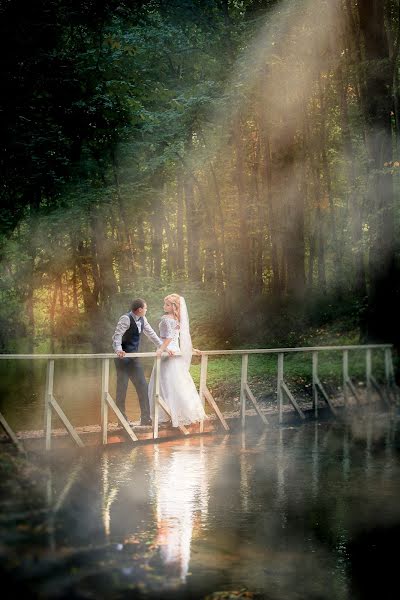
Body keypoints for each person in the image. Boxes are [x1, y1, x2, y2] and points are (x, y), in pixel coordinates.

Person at [148, 294, 207, 427]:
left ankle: (167, 415)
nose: (165, 307)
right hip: (176, 352)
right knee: (177, 383)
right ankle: (180, 413)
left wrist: (160, 349)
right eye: (165, 304)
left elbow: (168, 338)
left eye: (167, 305)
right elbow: (181, 338)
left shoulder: (166, 319)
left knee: (164, 383)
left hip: (168, 353)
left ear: (174, 306)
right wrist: (191, 349)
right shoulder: (177, 319)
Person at [112, 298, 169, 426]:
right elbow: (117, 335)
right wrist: (118, 350)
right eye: (145, 308)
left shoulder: (143, 319)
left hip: (134, 360)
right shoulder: (125, 318)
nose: (146, 310)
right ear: (139, 310)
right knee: (122, 390)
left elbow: (152, 334)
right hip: (122, 360)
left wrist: (164, 348)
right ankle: (122, 421)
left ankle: (145, 419)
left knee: (143, 387)